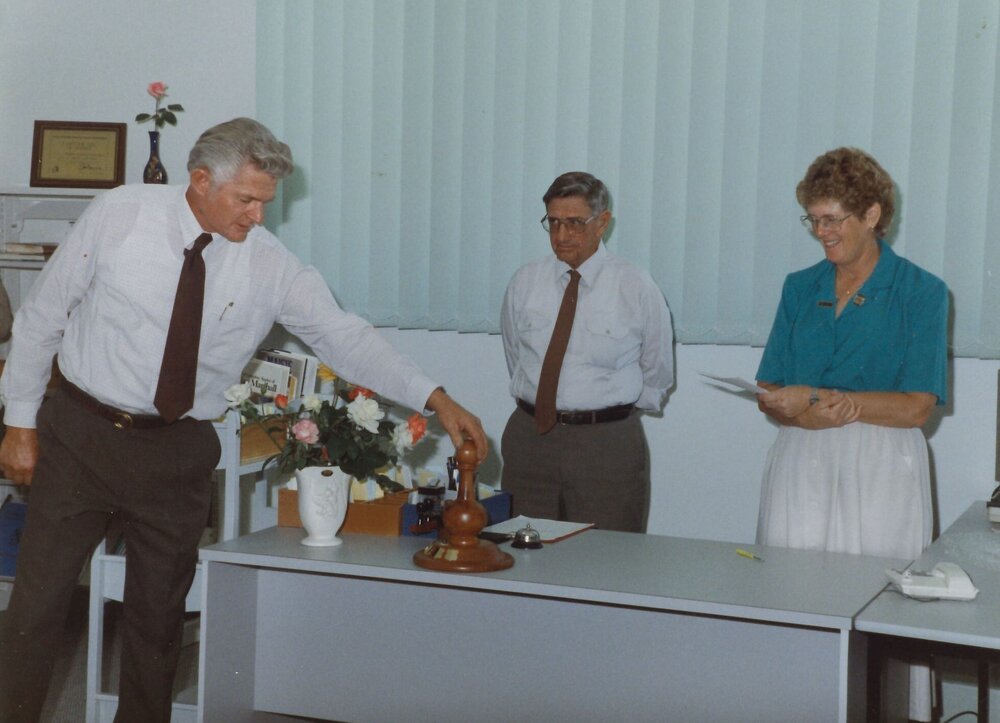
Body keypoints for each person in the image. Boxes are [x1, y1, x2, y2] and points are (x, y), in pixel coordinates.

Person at [0, 117, 487, 723]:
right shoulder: (120, 215)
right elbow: (43, 314)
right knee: (37, 609)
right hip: (81, 435)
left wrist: (435, 397)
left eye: (265, 203)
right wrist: (19, 421)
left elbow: (344, 337)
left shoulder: (270, 266)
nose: (258, 216)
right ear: (201, 181)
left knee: (157, 624)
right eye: (247, 200)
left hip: (175, 453)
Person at [755, 147, 947, 722]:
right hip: (801, 460)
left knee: (878, 614)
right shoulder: (799, 286)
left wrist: (824, 401)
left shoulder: (921, 291)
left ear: (873, 214)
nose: (822, 232)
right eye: (813, 219)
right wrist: (791, 410)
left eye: (834, 218)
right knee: (792, 599)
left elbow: (917, 407)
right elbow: (770, 386)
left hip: (882, 465)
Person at [500, 172, 673, 532]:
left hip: (606, 446)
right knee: (523, 555)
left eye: (575, 223)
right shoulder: (525, 282)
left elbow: (657, 370)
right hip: (530, 440)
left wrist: (606, 414)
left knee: (607, 563)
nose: (562, 236)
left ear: (602, 223)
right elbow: (516, 356)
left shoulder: (635, 284)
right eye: (554, 223)